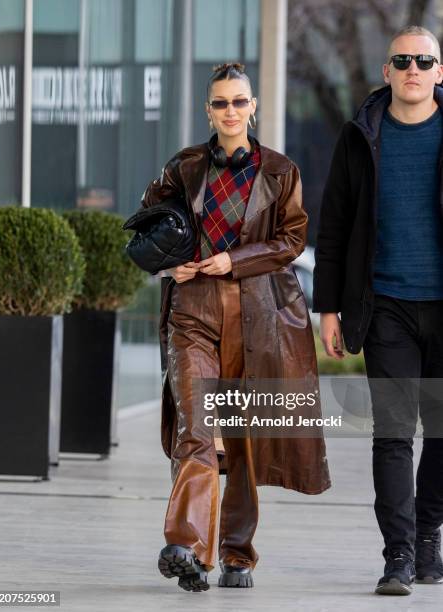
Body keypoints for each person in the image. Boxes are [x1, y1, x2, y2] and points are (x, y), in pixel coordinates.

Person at [140, 62, 331, 592]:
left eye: (239, 101)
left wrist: (236, 259)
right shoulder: (184, 167)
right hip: (192, 312)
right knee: (196, 428)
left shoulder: (280, 171)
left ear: (253, 107)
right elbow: (147, 223)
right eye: (220, 102)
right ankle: (188, 546)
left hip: (257, 318)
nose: (230, 110)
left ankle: (237, 553)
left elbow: (292, 240)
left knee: (245, 440)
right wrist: (168, 261)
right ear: (208, 109)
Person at [314, 25, 443, 596]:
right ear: (386, 71)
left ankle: (427, 536)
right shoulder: (360, 137)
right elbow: (335, 226)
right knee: (393, 435)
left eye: (424, 60)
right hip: (384, 305)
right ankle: (399, 557)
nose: (412, 68)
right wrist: (329, 309)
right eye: (402, 59)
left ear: (439, 72)